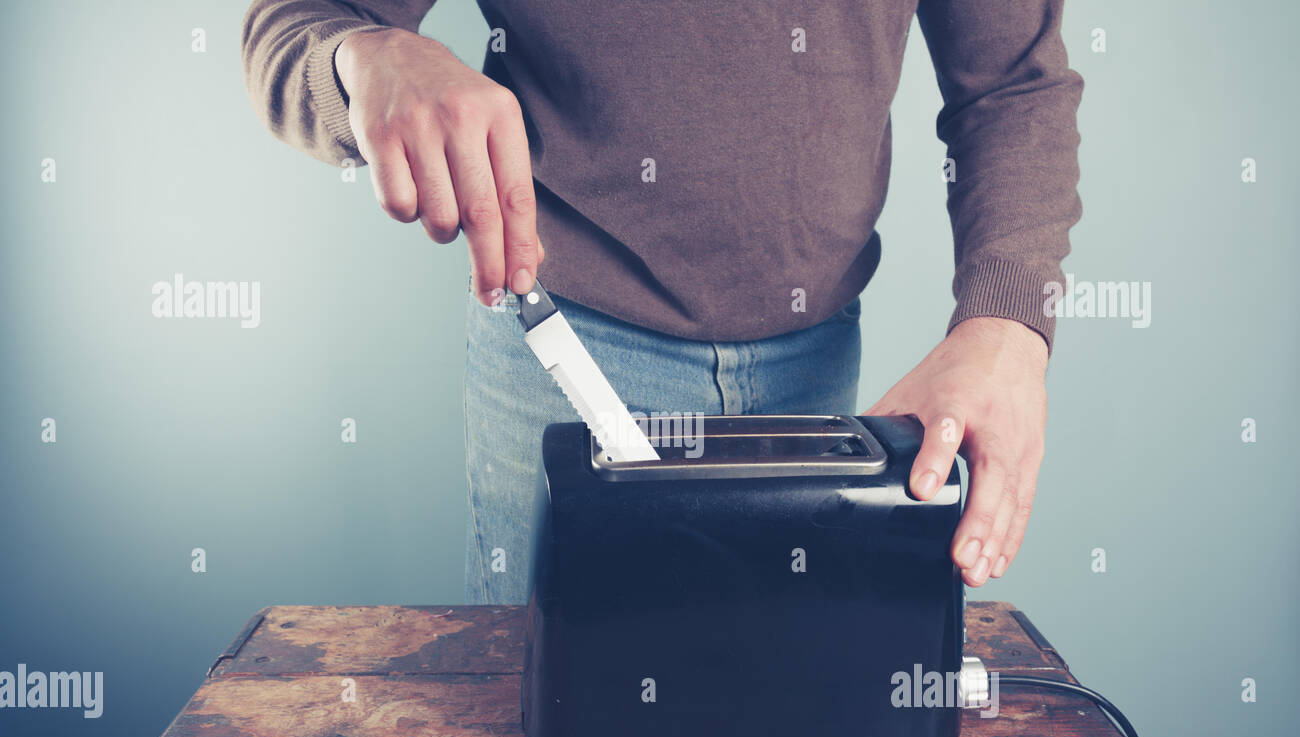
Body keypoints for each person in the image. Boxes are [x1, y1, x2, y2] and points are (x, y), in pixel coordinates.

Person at [241, 1, 1082, 604]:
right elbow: (294, 22)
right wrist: (364, 56)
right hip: (560, 357)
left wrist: (1007, 322)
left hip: (821, 370)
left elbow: (1012, 85)